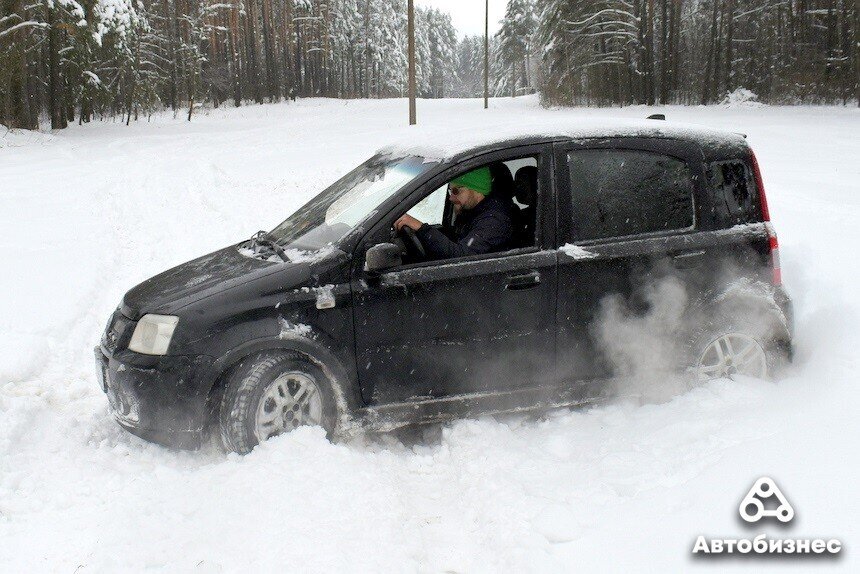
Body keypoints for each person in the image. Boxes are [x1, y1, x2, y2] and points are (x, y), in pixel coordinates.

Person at [394, 166, 515, 260]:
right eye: (450, 191)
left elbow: (462, 258)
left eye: (456, 191)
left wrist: (421, 228)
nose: (451, 198)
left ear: (476, 189)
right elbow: (455, 239)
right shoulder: (473, 213)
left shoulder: (494, 220)